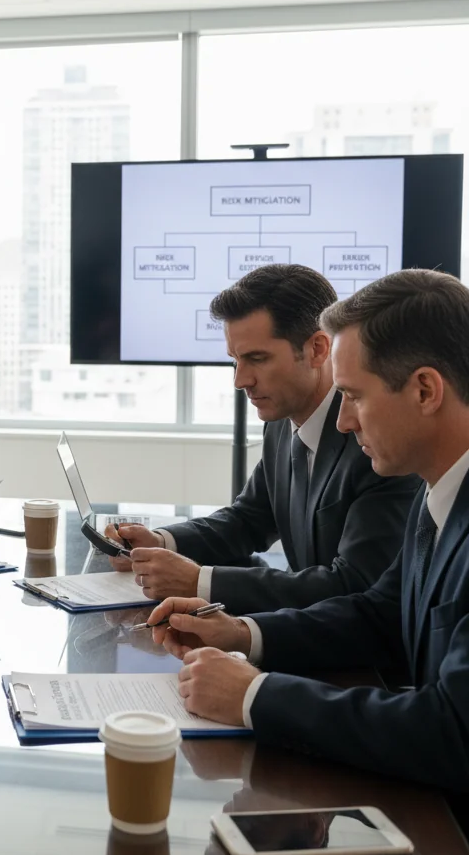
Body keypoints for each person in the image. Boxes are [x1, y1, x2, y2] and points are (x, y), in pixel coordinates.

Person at [145, 269, 469, 796]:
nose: (342, 422)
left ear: (425, 389)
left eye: (355, 396)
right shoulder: (438, 494)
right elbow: (378, 613)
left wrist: (257, 697)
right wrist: (242, 633)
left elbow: (451, 731)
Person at [109, 264, 417, 613]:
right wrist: (162, 541)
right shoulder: (282, 421)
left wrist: (201, 582)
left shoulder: (376, 443)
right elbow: (250, 518)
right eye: (235, 360)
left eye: (257, 359)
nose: (240, 381)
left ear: (317, 349)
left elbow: (353, 585)